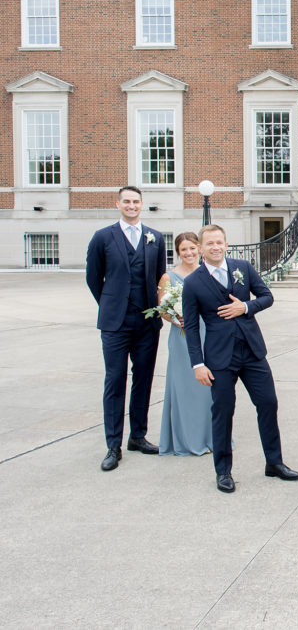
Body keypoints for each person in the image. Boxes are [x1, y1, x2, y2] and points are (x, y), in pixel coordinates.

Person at [181, 224, 298, 493]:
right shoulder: (193, 283)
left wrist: (245, 306)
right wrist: (197, 364)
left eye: (219, 242)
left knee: (268, 403)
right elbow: (190, 326)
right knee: (223, 412)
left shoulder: (242, 267)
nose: (215, 247)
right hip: (219, 358)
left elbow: (267, 297)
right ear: (201, 247)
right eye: (209, 243)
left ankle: (274, 462)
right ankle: (223, 471)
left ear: (226, 243)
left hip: (253, 351)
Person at [86, 185, 166, 471]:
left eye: (136, 201)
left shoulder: (155, 238)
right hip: (115, 323)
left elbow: (160, 279)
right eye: (127, 201)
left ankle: (138, 436)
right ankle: (112, 444)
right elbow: (94, 279)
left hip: (147, 322)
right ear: (118, 204)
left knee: (143, 379)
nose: (132, 206)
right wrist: (111, 303)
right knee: (115, 380)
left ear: (142, 205)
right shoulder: (102, 237)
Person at [157, 232, 215, 455]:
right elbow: (162, 308)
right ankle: (186, 439)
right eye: (184, 250)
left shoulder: (208, 273)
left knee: (209, 389)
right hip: (182, 336)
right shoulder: (168, 277)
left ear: (199, 249)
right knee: (185, 387)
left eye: (192, 248)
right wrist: (176, 318)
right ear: (178, 252)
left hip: (208, 332)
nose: (189, 253)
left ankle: (210, 436)